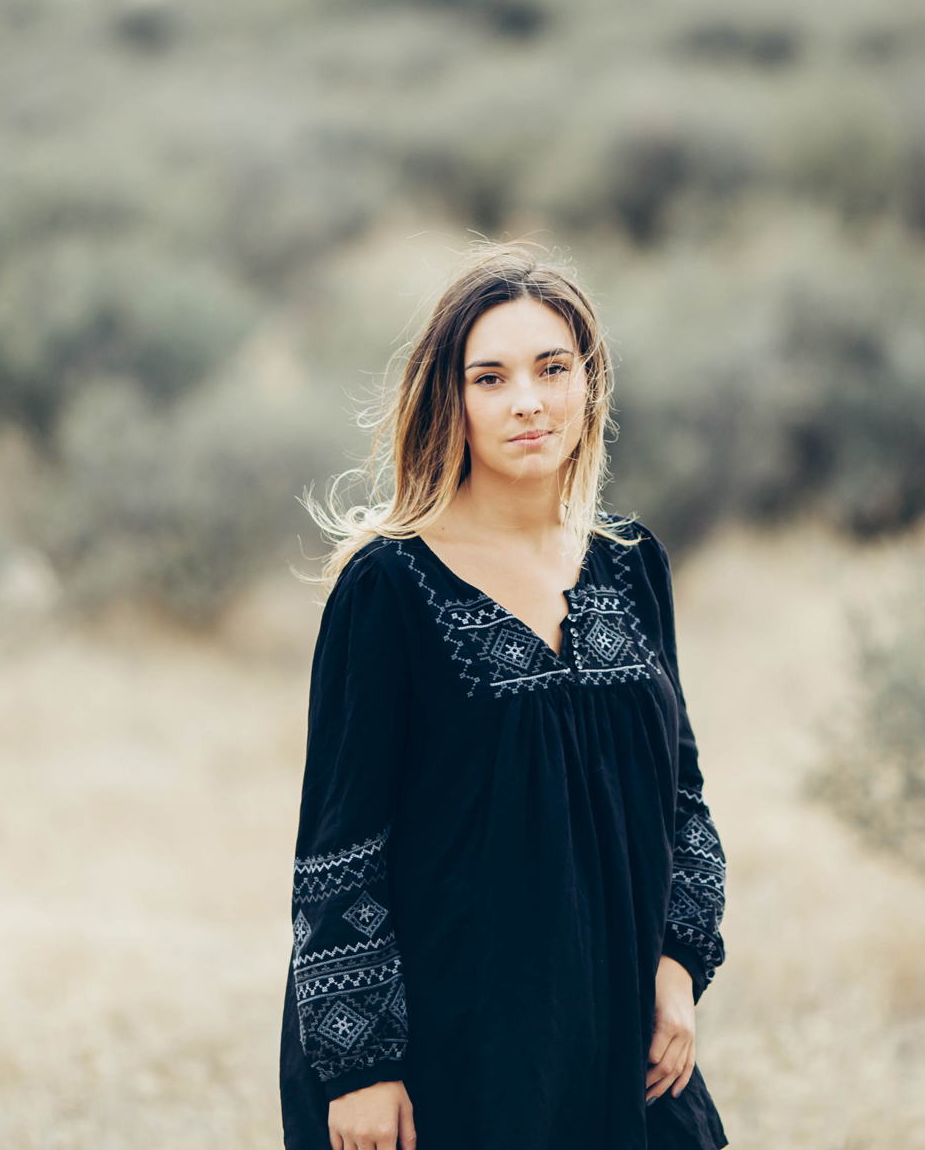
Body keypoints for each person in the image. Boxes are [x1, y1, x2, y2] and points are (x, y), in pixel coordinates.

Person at [279, 242, 729, 1150]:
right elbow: (340, 845)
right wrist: (362, 1067)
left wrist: (678, 965)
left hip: (617, 1039)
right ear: (452, 400)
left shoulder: (633, 566)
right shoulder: (389, 587)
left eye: (552, 367)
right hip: (454, 1050)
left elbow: (682, 798)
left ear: (589, 383)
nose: (528, 401)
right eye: (491, 377)